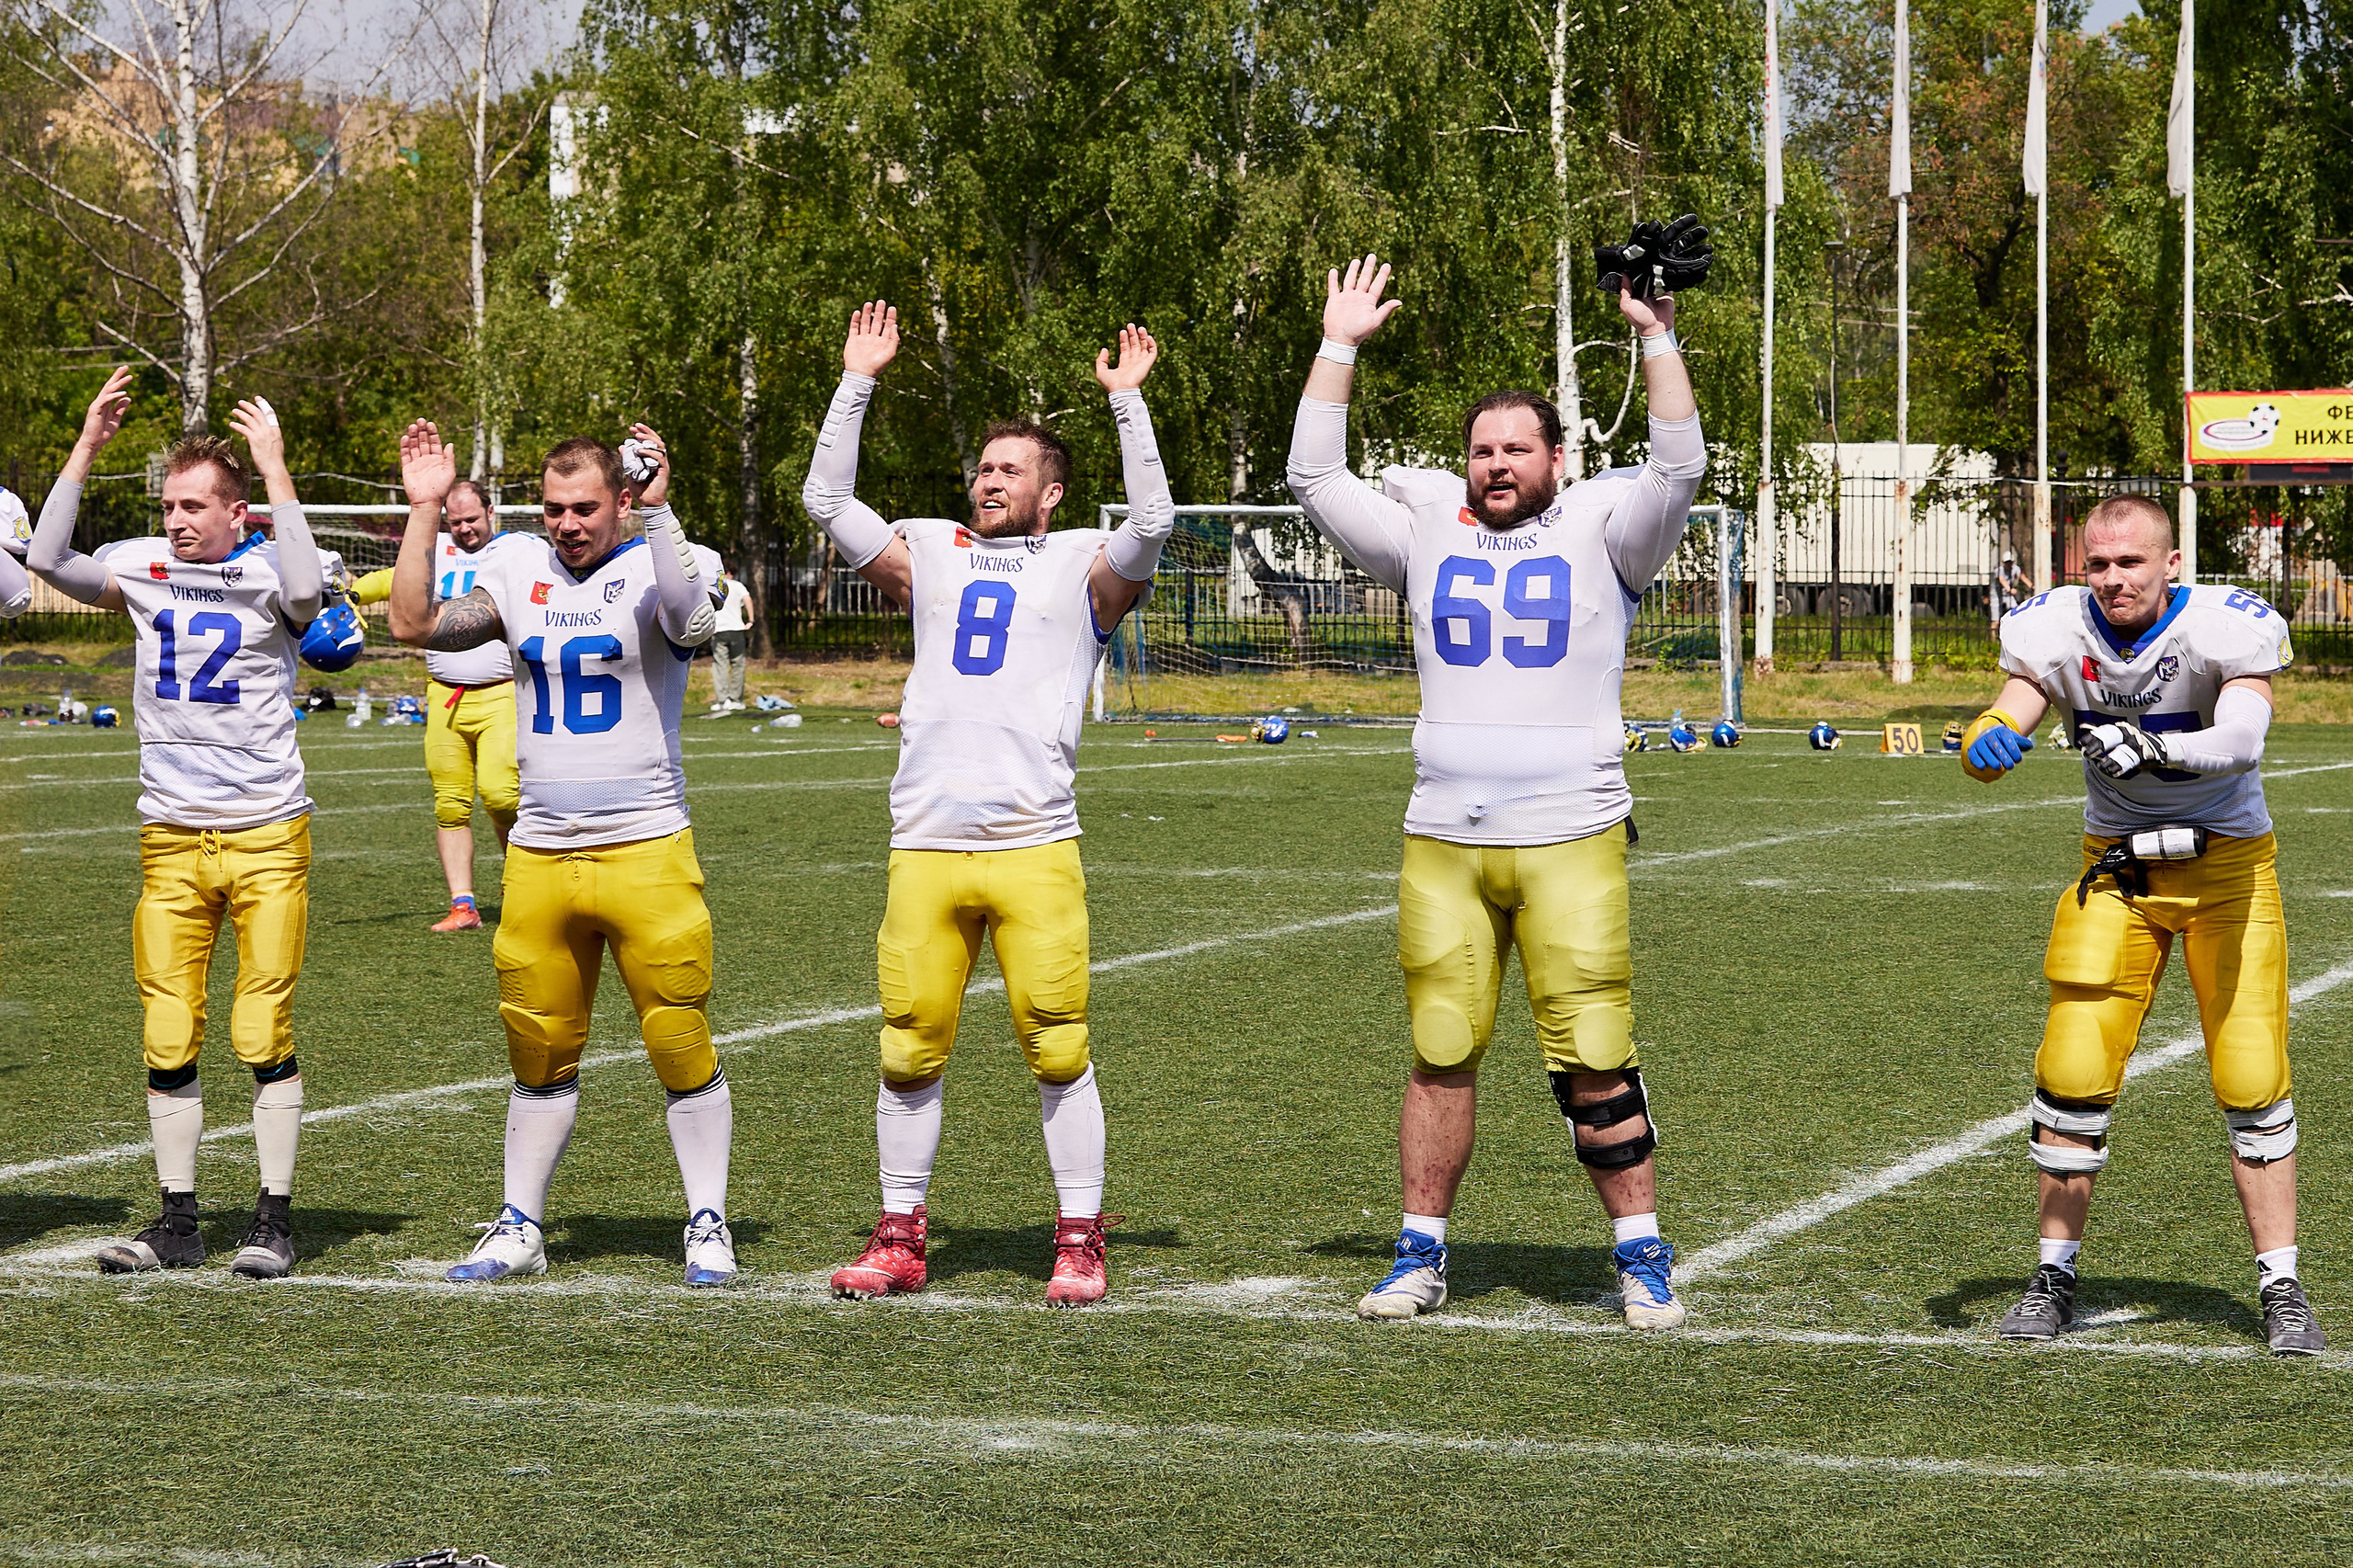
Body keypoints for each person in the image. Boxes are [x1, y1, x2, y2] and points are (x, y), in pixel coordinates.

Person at [1285, 255, 1706, 1327]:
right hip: (1443, 834)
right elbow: (1313, 480)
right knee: (1439, 1046)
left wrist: (1655, 336)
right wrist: (1337, 347)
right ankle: (1419, 1252)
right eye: (1481, 449)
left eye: (1517, 446)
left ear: (1557, 456)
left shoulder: (1607, 527)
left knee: (1596, 1051)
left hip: (1569, 829)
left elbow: (1678, 467)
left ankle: (1640, 1250)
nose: (1496, 463)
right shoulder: (1428, 526)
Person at [800, 305, 1174, 1307]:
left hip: (1030, 838)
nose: (988, 477)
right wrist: (858, 379)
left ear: (1050, 493)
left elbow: (1153, 525)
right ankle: (899, 1231)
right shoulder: (933, 551)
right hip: (925, 837)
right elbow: (825, 496)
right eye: (983, 464)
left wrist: (1128, 406)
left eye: (1011, 468)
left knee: (1057, 1039)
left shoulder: (1084, 566)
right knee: (907, 1039)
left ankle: (1081, 1233)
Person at [1960, 494, 2319, 1355]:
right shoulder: (2053, 629)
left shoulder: (2224, 627)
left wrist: (2159, 748)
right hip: (2118, 869)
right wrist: (1987, 738)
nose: (2114, 578)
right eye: (2098, 563)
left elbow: (2241, 736)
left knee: (2250, 1074)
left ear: (2171, 565)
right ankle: (2052, 1275)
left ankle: (2283, 1286)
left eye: (2131, 563)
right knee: (2073, 1067)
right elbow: (2011, 707)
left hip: (2227, 868)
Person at [390, 419, 736, 1287]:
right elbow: (414, 624)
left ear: (621, 498)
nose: (568, 524)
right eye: (553, 509)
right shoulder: (512, 567)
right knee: (537, 1047)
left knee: (678, 1039)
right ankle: (520, 1225)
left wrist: (660, 514)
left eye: (585, 506)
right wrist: (426, 510)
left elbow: (693, 620)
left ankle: (706, 1219)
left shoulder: (660, 553)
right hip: (541, 852)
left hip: (646, 845)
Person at [28, 366, 326, 1279]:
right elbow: (43, 560)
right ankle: (179, 1220)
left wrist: (276, 470)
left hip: (267, 828)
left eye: (197, 503)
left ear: (238, 512)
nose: (178, 519)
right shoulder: (141, 566)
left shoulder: (268, 569)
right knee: (166, 1029)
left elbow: (311, 597)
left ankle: (273, 1217)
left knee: (260, 1025)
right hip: (170, 833)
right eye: (169, 503)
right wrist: (86, 445)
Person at [351, 480, 523, 931]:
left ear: (491, 511)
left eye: (472, 518)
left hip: (501, 692)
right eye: (456, 520)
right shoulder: (436, 549)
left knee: (502, 794)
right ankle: (463, 906)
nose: (464, 528)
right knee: (450, 805)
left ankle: (522, 888)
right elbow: (392, 580)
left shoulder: (514, 553)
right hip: (444, 697)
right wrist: (351, 596)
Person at [707, 562, 756, 712]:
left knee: (720, 665)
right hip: (736, 628)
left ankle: (723, 700)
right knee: (738, 664)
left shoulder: (715, 585)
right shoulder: (738, 586)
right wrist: (750, 620)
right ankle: (736, 699)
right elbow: (747, 599)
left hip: (719, 629)